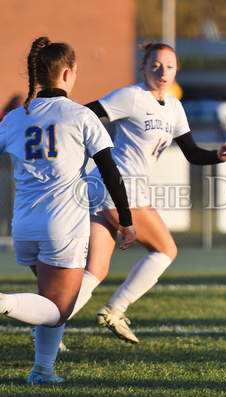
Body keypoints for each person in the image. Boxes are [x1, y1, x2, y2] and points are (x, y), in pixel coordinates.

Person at [66, 43, 226, 344]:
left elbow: (192, 153)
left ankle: (46, 327)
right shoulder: (132, 96)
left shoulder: (173, 106)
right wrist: (85, 150)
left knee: (96, 269)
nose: (163, 71)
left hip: (118, 188)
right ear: (143, 67)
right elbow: (84, 115)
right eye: (156, 65)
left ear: (176, 70)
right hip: (117, 186)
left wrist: (218, 156)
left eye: (169, 66)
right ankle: (114, 309)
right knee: (166, 249)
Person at [0, 37, 136, 384]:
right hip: (63, 227)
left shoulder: (15, 118)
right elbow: (109, 170)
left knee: (51, 302)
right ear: (66, 73)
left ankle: (42, 372)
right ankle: (2, 303)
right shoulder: (80, 115)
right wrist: (126, 218)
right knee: (58, 309)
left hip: (24, 226)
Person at [0, 95, 23, 238]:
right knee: (4, 202)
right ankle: (5, 234)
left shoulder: (26, 119)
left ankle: (11, 233)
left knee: (14, 203)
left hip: (17, 169)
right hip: (4, 168)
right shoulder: (6, 118)